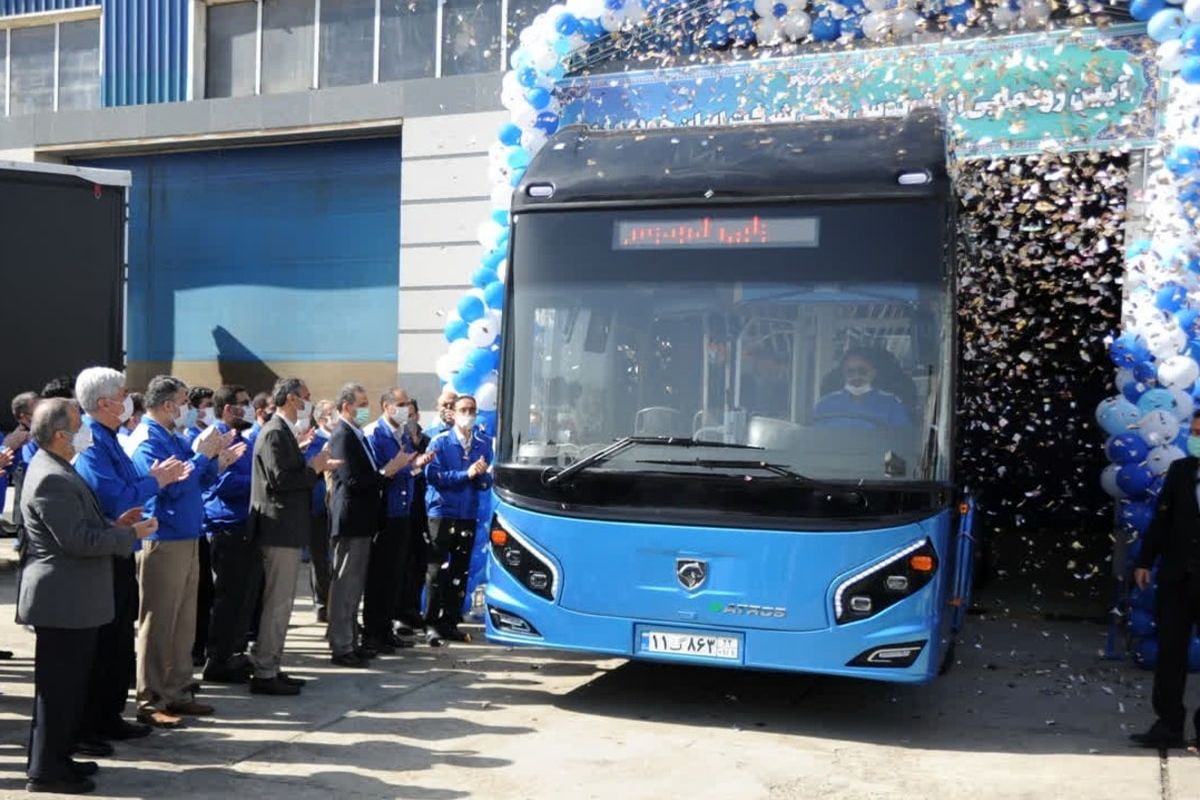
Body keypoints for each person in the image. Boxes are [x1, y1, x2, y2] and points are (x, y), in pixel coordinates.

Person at [19, 398, 158, 795]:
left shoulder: (61, 469)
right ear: (61, 435)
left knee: (70, 689)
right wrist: (129, 536)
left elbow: (80, 524)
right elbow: (77, 541)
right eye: (79, 424)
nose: (86, 432)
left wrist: (116, 523)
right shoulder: (50, 476)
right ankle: (45, 771)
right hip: (63, 600)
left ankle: (59, 759)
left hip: (74, 598)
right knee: (57, 693)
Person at [72, 368, 191, 754]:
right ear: (105, 402)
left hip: (123, 543)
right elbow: (117, 495)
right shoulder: (90, 440)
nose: (129, 400)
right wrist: (154, 481)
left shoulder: (108, 437)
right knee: (105, 642)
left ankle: (109, 717)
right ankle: (91, 723)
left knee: (119, 640)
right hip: (106, 550)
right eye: (123, 393)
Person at [130, 376, 240, 728]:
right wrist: (201, 455)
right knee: (158, 621)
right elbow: (170, 490)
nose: (188, 410)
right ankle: (150, 698)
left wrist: (215, 462)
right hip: (164, 538)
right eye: (183, 403)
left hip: (188, 535)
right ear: (166, 405)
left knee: (183, 621)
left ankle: (178, 690)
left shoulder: (173, 438)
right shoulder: (148, 440)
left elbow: (195, 482)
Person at [247, 377, 337, 694]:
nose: (307, 404)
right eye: (304, 397)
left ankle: (272, 664)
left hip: (286, 528)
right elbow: (280, 479)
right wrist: (313, 467)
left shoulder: (284, 432)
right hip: (278, 529)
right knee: (277, 603)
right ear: (289, 399)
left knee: (281, 604)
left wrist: (306, 459)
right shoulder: (274, 431)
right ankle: (265, 671)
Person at [327, 383, 413, 666]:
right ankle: (341, 646)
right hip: (351, 519)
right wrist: (387, 471)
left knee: (354, 588)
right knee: (345, 586)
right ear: (346, 406)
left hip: (364, 521)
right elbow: (351, 480)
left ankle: (351, 639)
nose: (365, 409)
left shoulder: (357, 433)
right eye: (361, 404)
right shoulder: (342, 434)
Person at [1131, 410, 1200, 748]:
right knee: (1170, 651)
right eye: (1195, 432)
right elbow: (1163, 518)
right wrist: (1146, 560)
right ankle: (1169, 724)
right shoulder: (1182, 471)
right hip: (1177, 577)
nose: (1196, 439)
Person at [363, 389, 432, 652]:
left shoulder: (402, 433)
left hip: (403, 510)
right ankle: (372, 632)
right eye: (400, 404)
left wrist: (416, 466)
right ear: (386, 406)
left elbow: (405, 469)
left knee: (395, 574)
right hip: (385, 512)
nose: (405, 409)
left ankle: (385, 628)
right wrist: (403, 467)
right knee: (379, 576)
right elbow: (379, 471)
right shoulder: (375, 433)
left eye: (407, 404)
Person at [201, 385, 260, 684]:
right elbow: (220, 484)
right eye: (243, 403)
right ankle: (218, 658)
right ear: (227, 410)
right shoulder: (217, 439)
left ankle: (234, 654)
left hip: (244, 525)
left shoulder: (242, 439)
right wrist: (259, 482)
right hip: (227, 525)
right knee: (228, 597)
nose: (248, 408)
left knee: (243, 596)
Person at [423, 394, 492, 646]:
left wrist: (481, 477)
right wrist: (467, 474)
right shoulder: (439, 442)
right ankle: (430, 621)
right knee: (436, 570)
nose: (468, 414)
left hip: (467, 513)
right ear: (453, 412)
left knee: (458, 570)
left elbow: (485, 481)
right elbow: (434, 476)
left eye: (472, 410)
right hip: (442, 512)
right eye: (463, 409)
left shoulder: (482, 443)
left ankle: (450, 621)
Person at [812, 349, 911, 429]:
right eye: (850, 372)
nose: (856, 376)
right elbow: (816, 442)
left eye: (862, 371)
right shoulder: (824, 405)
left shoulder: (892, 405)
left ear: (873, 373)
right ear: (843, 373)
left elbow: (902, 442)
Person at [400, 399, 432, 635]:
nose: (408, 419)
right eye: (404, 414)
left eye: (412, 414)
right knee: (402, 562)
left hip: (424, 509)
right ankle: (398, 613)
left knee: (420, 561)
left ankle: (413, 610)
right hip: (402, 509)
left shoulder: (428, 441)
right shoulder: (398, 442)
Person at [306, 400, 337, 624]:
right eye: (330, 413)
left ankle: (335, 600)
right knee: (320, 557)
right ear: (320, 419)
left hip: (340, 508)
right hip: (318, 507)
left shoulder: (342, 438)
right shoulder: (312, 441)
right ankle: (322, 603)